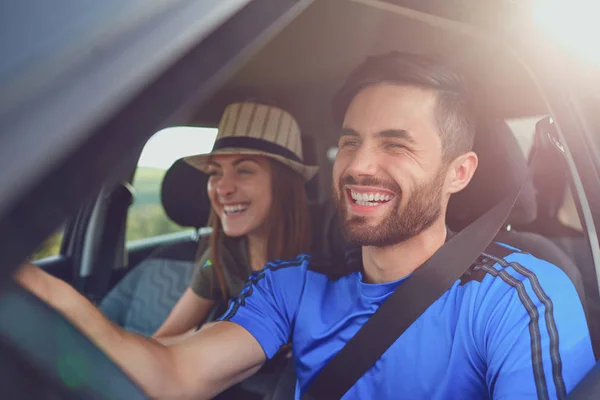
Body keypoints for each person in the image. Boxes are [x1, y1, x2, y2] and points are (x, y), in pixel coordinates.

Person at [16, 52, 595, 399]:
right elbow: (171, 373)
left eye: (395, 145)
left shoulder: (521, 296)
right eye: (350, 142)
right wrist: (34, 289)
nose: (360, 165)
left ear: (459, 173)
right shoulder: (293, 283)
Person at [151, 101, 317, 342]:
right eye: (215, 172)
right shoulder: (217, 259)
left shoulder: (330, 246)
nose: (222, 188)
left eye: (244, 170)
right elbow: (163, 340)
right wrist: (211, 335)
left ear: (284, 184)